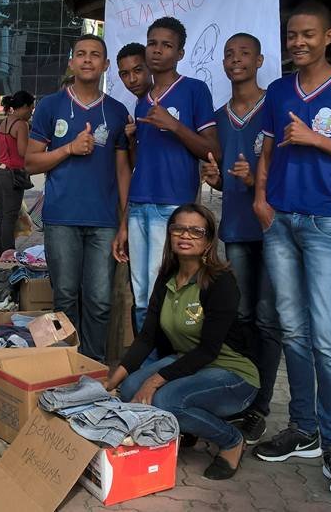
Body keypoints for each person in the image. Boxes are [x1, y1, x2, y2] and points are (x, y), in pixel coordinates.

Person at [251, 1, 331, 501]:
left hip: (325, 223)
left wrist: (314, 139)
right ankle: (302, 428)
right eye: (291, 35)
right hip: (280, 222)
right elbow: (266, 147)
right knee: (292, 331)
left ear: (328, 36)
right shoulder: (281, 90)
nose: (297, 42)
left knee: (326, 339)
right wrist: (262, 199)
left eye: (307, 34)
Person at [105, 204, 259, 480]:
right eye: (178, 228)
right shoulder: (166, 278)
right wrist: (110, 383)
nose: (185, 235)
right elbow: (147, 338)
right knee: (129, 390)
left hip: (233, 373)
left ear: (209, 240)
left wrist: (154, 380)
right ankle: (187, 427)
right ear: (170, 234)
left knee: (165, 399)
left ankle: (232, 440)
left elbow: (208, 351)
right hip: (190, 363)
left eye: (196, 231)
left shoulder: (220, 282)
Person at [26, 34, 132, 363]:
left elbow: (123, 172)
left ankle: (94, 367)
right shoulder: (50, 106)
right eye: (81, 54)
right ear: (71, 62)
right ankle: (63, 366)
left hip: (103, 222)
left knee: (100, 301)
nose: (87, 59)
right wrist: (69, 149)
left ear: (105, 65)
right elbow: (30, 161)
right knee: (65, 298)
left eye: (95, 55)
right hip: (61, 219)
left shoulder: (117, 112)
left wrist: (124, 222)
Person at [204, 32, 284, 446]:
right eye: (229, 54)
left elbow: (287, 170)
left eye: (245, 54)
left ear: (260, 60)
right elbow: (222, 179)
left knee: (269, 320)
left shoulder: (275, 105)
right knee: (243, 316)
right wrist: (217, 181)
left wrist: (258, 184)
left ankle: (260, 408)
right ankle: (242, 397)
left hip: (273, 230)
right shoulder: (219, 117)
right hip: (235, 229)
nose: (236, 60)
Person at [120, 17, 219, 334]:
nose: (157, 51)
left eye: (166, 45)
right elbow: (140, 161)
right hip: (138, 205)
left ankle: (163, 366)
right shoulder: (141, 102)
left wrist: (174, 125)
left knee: (164, 292)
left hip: (172, 208)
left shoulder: (194, 90)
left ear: (180, 53)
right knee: (141, 293)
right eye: (152, 43)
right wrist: (133, 140)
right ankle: (144, 365)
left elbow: (211, 150)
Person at [0, 90, 35, 259]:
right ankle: (8, 253)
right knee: (10, 215)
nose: (31, 112)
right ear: (23, 107)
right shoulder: (20, 125)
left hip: (0, 172)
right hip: (13, 174)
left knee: (2, 214)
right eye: (30, 108)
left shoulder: (2, 124)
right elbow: (23, 151)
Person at [115, 42, 151, 168]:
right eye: (125, 74)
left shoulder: (170, 100)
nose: (132, 79)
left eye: (137, 70)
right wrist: (132, 141)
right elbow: (139, 165)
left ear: (150, 67)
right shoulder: (137, 108)